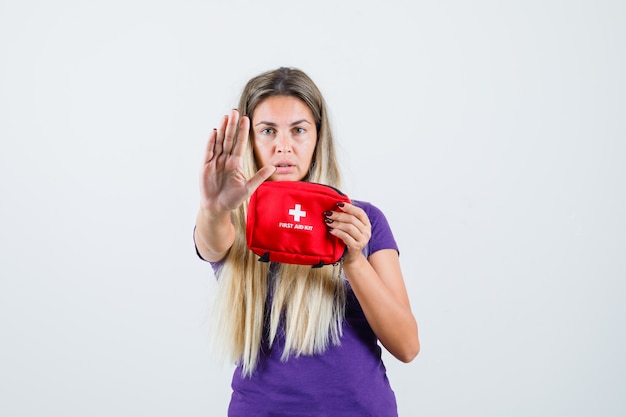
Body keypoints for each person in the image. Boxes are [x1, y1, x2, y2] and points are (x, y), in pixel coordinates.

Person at [194, 67, 419, 417]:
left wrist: (354, 260)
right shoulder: (234, 221)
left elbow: (406, 346)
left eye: (298, 130)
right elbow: (211, 243)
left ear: (317, 138)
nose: (283, 146)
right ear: (249, 139)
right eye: (268, 131)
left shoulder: (362, 220)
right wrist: (213, 209)